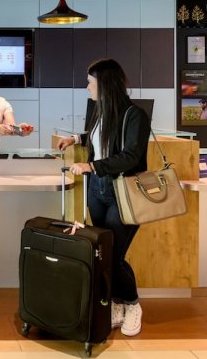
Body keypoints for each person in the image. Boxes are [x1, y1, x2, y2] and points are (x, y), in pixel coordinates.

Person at [57, 58, 151, 337]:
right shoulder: (101, 111)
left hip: (122, 192)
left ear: (105, 84)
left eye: (90, 83)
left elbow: (130, 156)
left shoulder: (135, 115)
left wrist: (91, 166)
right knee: (103, 254)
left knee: (113, 254)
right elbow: (99, 137)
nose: (87, 88)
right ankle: (117, 303)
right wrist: (76, 139)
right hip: (97, 191)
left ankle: (132, 304)